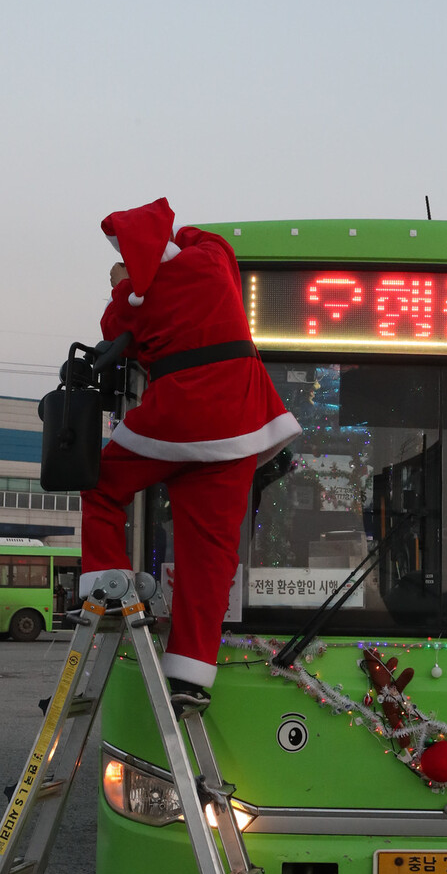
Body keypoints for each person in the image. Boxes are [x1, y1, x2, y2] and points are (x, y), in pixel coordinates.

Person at [79, 198, 300, 705]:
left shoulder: (133, 298)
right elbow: (209, 238)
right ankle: (191, 675)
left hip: (174, 419)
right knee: (211, 555)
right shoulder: (211, 261)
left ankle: (105, 583)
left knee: (101, 484)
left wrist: (123, 283)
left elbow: (115, 336)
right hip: (241, 423)